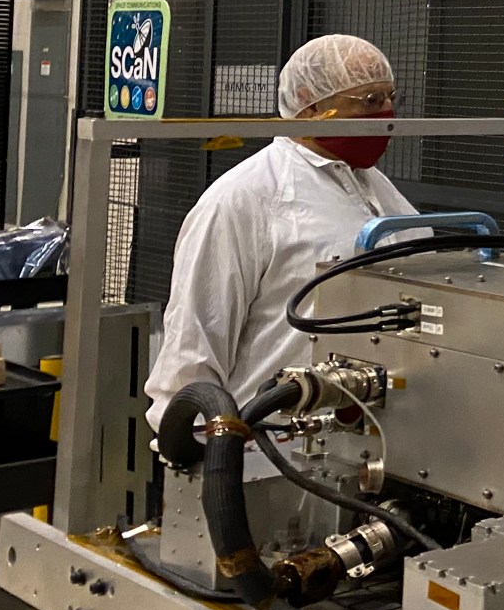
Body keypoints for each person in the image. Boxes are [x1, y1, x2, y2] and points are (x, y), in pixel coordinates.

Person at [145, 35, 416, 431]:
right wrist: (197, 450)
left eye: (391, 97)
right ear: (311, 103)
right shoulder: (245, 199)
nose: (388, 112)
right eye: (371, 101)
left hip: (370, 443)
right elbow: (194, 343)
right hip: (268, 450)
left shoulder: (377, 190)